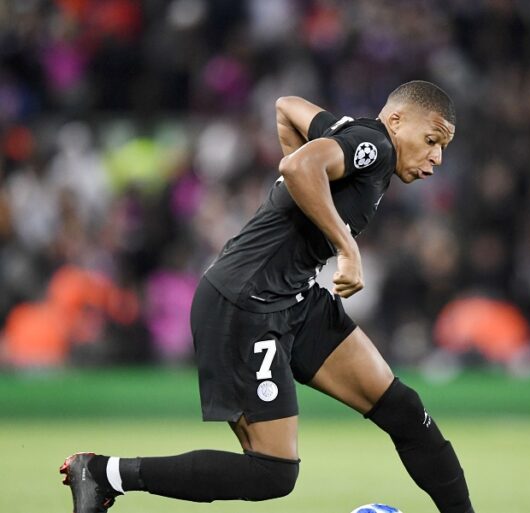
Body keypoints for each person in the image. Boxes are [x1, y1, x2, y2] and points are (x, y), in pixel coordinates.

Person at [60, 80, 475, 513]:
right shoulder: (376, 146)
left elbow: (287, 107)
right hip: (246, 302)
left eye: (442, 147)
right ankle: (104, 473)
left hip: (293, 296)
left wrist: (305, 191)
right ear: (396, 121)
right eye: (431, 140)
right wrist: (346, 247)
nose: (437, 157)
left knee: (404, 411)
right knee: (272, 472)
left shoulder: (350, 134)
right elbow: (299, 168)